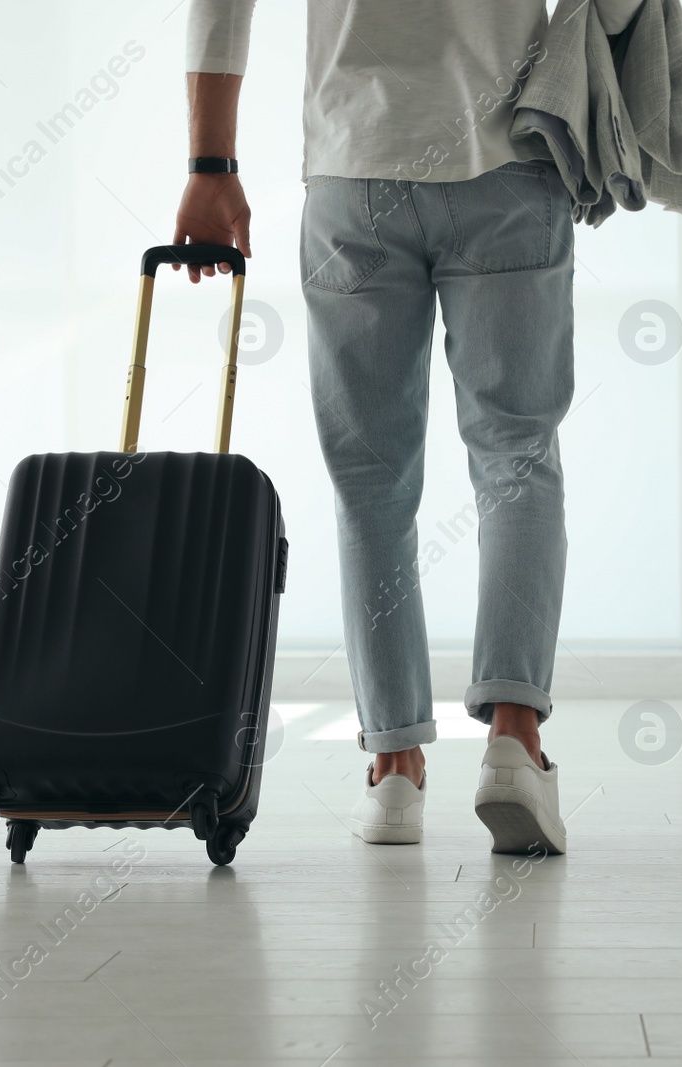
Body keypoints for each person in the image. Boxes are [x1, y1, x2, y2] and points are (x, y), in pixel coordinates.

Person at [176, 0, 645, 855]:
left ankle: (393, 768)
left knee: (370, 481)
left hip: (356, 174)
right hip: (507, 161)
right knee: (516, 457)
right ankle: (514, 738)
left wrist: (212, 162)